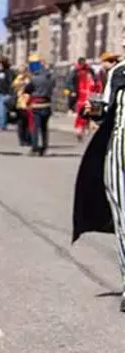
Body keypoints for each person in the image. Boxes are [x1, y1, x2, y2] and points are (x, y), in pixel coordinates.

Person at [73, 52, 125, 313]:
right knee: (123, 220)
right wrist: (93, 112)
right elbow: (105, 112)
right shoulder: (118, 73)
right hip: (119, 153)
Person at [26, 56, 56, 156]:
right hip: (47, 104)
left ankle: (35, 148)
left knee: (35, 127)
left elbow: (27, 89)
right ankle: (44, 148)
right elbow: (52, 88)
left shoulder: (34, 78)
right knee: (44, 128)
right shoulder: (50, 78)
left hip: (36, 104)